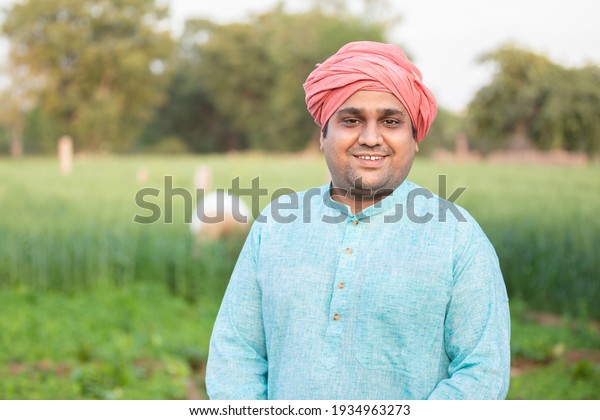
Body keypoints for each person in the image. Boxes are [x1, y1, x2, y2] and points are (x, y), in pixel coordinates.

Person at [205, 41, 510, 400]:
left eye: (391, 121)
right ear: (322, 135)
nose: (370, 138)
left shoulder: (458, 238)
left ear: (415, 139)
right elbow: (234, 354)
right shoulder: (274, 226)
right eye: (350, 120)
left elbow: (482, 372)